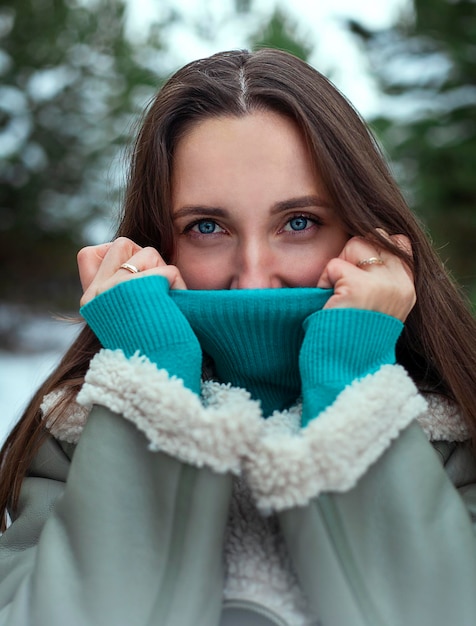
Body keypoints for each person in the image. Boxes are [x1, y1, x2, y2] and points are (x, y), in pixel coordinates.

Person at [1, 48, 476, 626]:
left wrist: (352, 387)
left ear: (362, 234)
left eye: (298, 223)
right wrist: (152, 391)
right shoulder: (73, 446)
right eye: (207, 227)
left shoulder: (458, 445)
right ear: (161, 246)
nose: (253, 276)